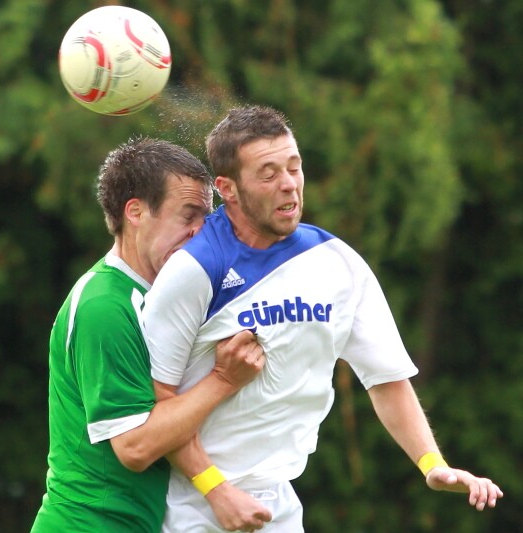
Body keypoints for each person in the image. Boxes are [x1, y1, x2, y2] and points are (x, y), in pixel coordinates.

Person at [143, 105, 504, 532]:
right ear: (228, 189)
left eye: (294, 167)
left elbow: (386, 379)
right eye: (268, 174)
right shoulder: (195, 268)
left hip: (277, 505)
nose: (289, 184)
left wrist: (432, 463)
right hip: (193, 505)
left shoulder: (336, 263)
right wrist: (215, 490)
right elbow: (159, 403)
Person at [30, 138, 271, 532]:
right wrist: (224, 380)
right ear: (136, 212)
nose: (200, 233)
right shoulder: (104, 306)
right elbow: (135, 446)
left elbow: (172, 412)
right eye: (188, 215)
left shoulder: (170, 298)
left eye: (206, 219)